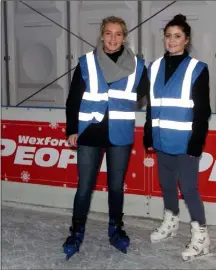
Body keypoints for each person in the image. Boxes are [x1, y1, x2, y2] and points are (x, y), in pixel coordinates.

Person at [63, 16, 148, 259]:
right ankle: (76, 231)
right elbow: (73, 99)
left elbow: (144, 92)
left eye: (118, 34)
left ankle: (116, 229)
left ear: (124, 37)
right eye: (108, 33)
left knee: (115, 187)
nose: (113, 38)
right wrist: (71, 129)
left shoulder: (137, 65)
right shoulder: (86, 62)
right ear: (102, 35)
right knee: (85, 187)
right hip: (90, 132)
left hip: (119, 133)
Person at [143, 14, 211, 261]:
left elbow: (203, 110)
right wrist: (148, 133)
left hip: (185, 141)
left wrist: (197, 141)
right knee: (167, 185)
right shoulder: (155, 67)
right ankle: (170, 223)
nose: (172, 41)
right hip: (161, 140)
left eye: (177, 36)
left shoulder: (197, 68)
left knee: (189, 189)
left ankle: (201, 236)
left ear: (186, 40)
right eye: (168, 36)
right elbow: (152, 105)